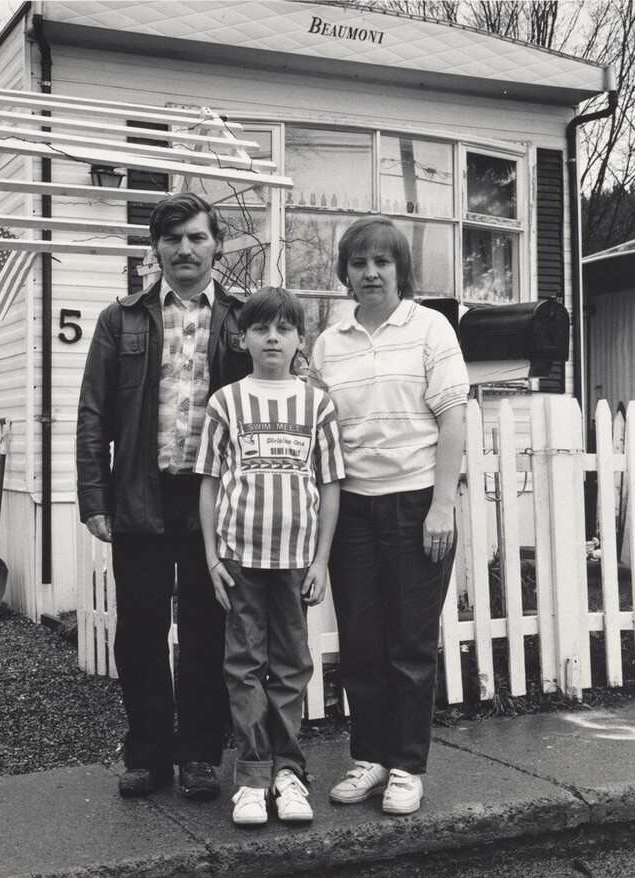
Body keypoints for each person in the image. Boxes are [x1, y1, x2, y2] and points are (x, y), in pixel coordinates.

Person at [76, 192, 252, 800]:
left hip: (216, 503)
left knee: (208, 630)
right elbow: (94, 413)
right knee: (141, 632)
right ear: (156, 248)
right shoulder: (120, 319)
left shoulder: (241, 319)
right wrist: (94, 496)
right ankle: (148, 753)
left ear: (216, 246)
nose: (185, 250)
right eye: (173, 239)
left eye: (197, 238)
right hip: (141, 498)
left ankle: (201, 755)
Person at [308, 216, 468, 816]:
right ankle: (370, 759)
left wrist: (442, 506)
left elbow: (453, 418)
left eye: (382, 262)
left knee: (410, 644)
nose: (370, 272)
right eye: (358, 263)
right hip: (351, 509)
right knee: (361, 642)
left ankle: (406, 767)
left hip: (416, 504)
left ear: (401, 269)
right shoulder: (329, 341)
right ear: (345, 272)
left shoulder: (431, 330)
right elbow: (324, 435)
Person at [195, 287, 345, 826]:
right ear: (243, 338)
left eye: (284, 329)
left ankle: (289, 772)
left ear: (300, 339)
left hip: (297, 560)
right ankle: (253, 777)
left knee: (290, 667)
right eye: (261, 329)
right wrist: (212, 557)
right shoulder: (226, 402)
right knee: (244, 666)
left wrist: (322, 560)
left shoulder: (316, 403)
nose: (272, 338)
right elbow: (210, 483)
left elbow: (329, 484)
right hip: (239, 559)